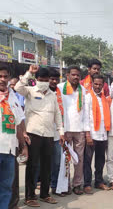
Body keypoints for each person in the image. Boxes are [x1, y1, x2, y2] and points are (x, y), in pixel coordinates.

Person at [15, 65, 64, 206]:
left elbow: (57, 115)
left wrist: (61, 132)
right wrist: (29, 72)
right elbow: (18, 87)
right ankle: (30, 197)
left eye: (46, 80)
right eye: (41, 79)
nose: (43, 82)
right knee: (32, 166)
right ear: (36, 80)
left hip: (49, 134)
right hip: (33, 134)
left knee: (46, 166)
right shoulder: (29, 91)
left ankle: (44, 194)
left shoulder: (52, 95)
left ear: (49, 80)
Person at [0, 65, 27, 209]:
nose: (2, 79)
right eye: (0, 76)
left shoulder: (13, 97)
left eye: (5, 76)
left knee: (6, 188)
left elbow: (19, 123)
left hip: (10, 151)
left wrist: (23, 146)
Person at [57, 66, 87, 195]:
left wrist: (86, 130)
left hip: (79, 129)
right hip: (66, 130)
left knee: (79, 159)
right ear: (67, 75)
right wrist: (61, 131)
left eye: (78, 75)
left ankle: (77, 184)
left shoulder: (83, 90)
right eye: (73, 74)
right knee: (65, 158)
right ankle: (65, 185)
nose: (76, 77)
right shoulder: (60, 88)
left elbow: (85, 112)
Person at [83, 74, 110, 194]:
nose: (98, 86)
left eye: (100, 84)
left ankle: (99, 181)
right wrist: (87, 135)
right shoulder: (88, 97)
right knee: (87, 160)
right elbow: (85, 117)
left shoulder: (105, 98)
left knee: (100, 160)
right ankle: (87, 183)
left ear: (103, 85)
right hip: (92, 134)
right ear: (92, 84)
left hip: (103, 134)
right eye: (96, 84)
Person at [48, 69, 65, 197]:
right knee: (41, 162)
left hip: (57, 133)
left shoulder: (61, 93)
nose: (54, 81)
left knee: (57, 162)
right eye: (51, 78)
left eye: (56, 79)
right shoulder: (39, 92)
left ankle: (54, 186)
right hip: (41, 134)